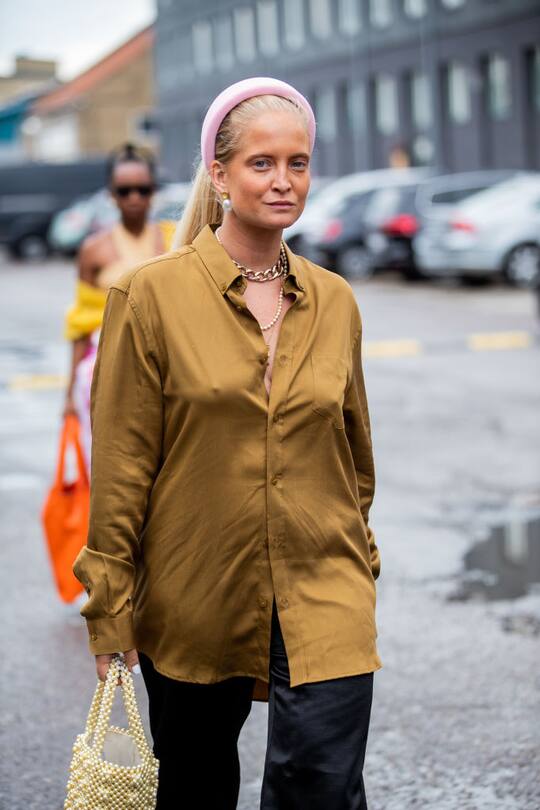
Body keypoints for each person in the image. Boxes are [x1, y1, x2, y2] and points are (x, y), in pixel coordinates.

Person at [73, 77, 382, 810]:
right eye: (261, 163)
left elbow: (353, 454)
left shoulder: (336, 300)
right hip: (196, 591)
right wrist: (111, 607)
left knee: (321, 787)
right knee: (196, 787)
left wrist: (360, 562)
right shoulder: (149, 297)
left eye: (298, 163)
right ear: (219, 174)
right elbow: (123, 466)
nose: (283, 181)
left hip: (324, 580)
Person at [63, 143, 166, 467]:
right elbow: (82, 322)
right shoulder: (93, 250)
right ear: (111, 194)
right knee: (110, 463)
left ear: (153, 191)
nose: (134, 197)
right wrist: (69, 394)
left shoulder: (176, 239)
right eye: (124, 190)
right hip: (105, 369)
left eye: (142, 189)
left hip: (165, 368)